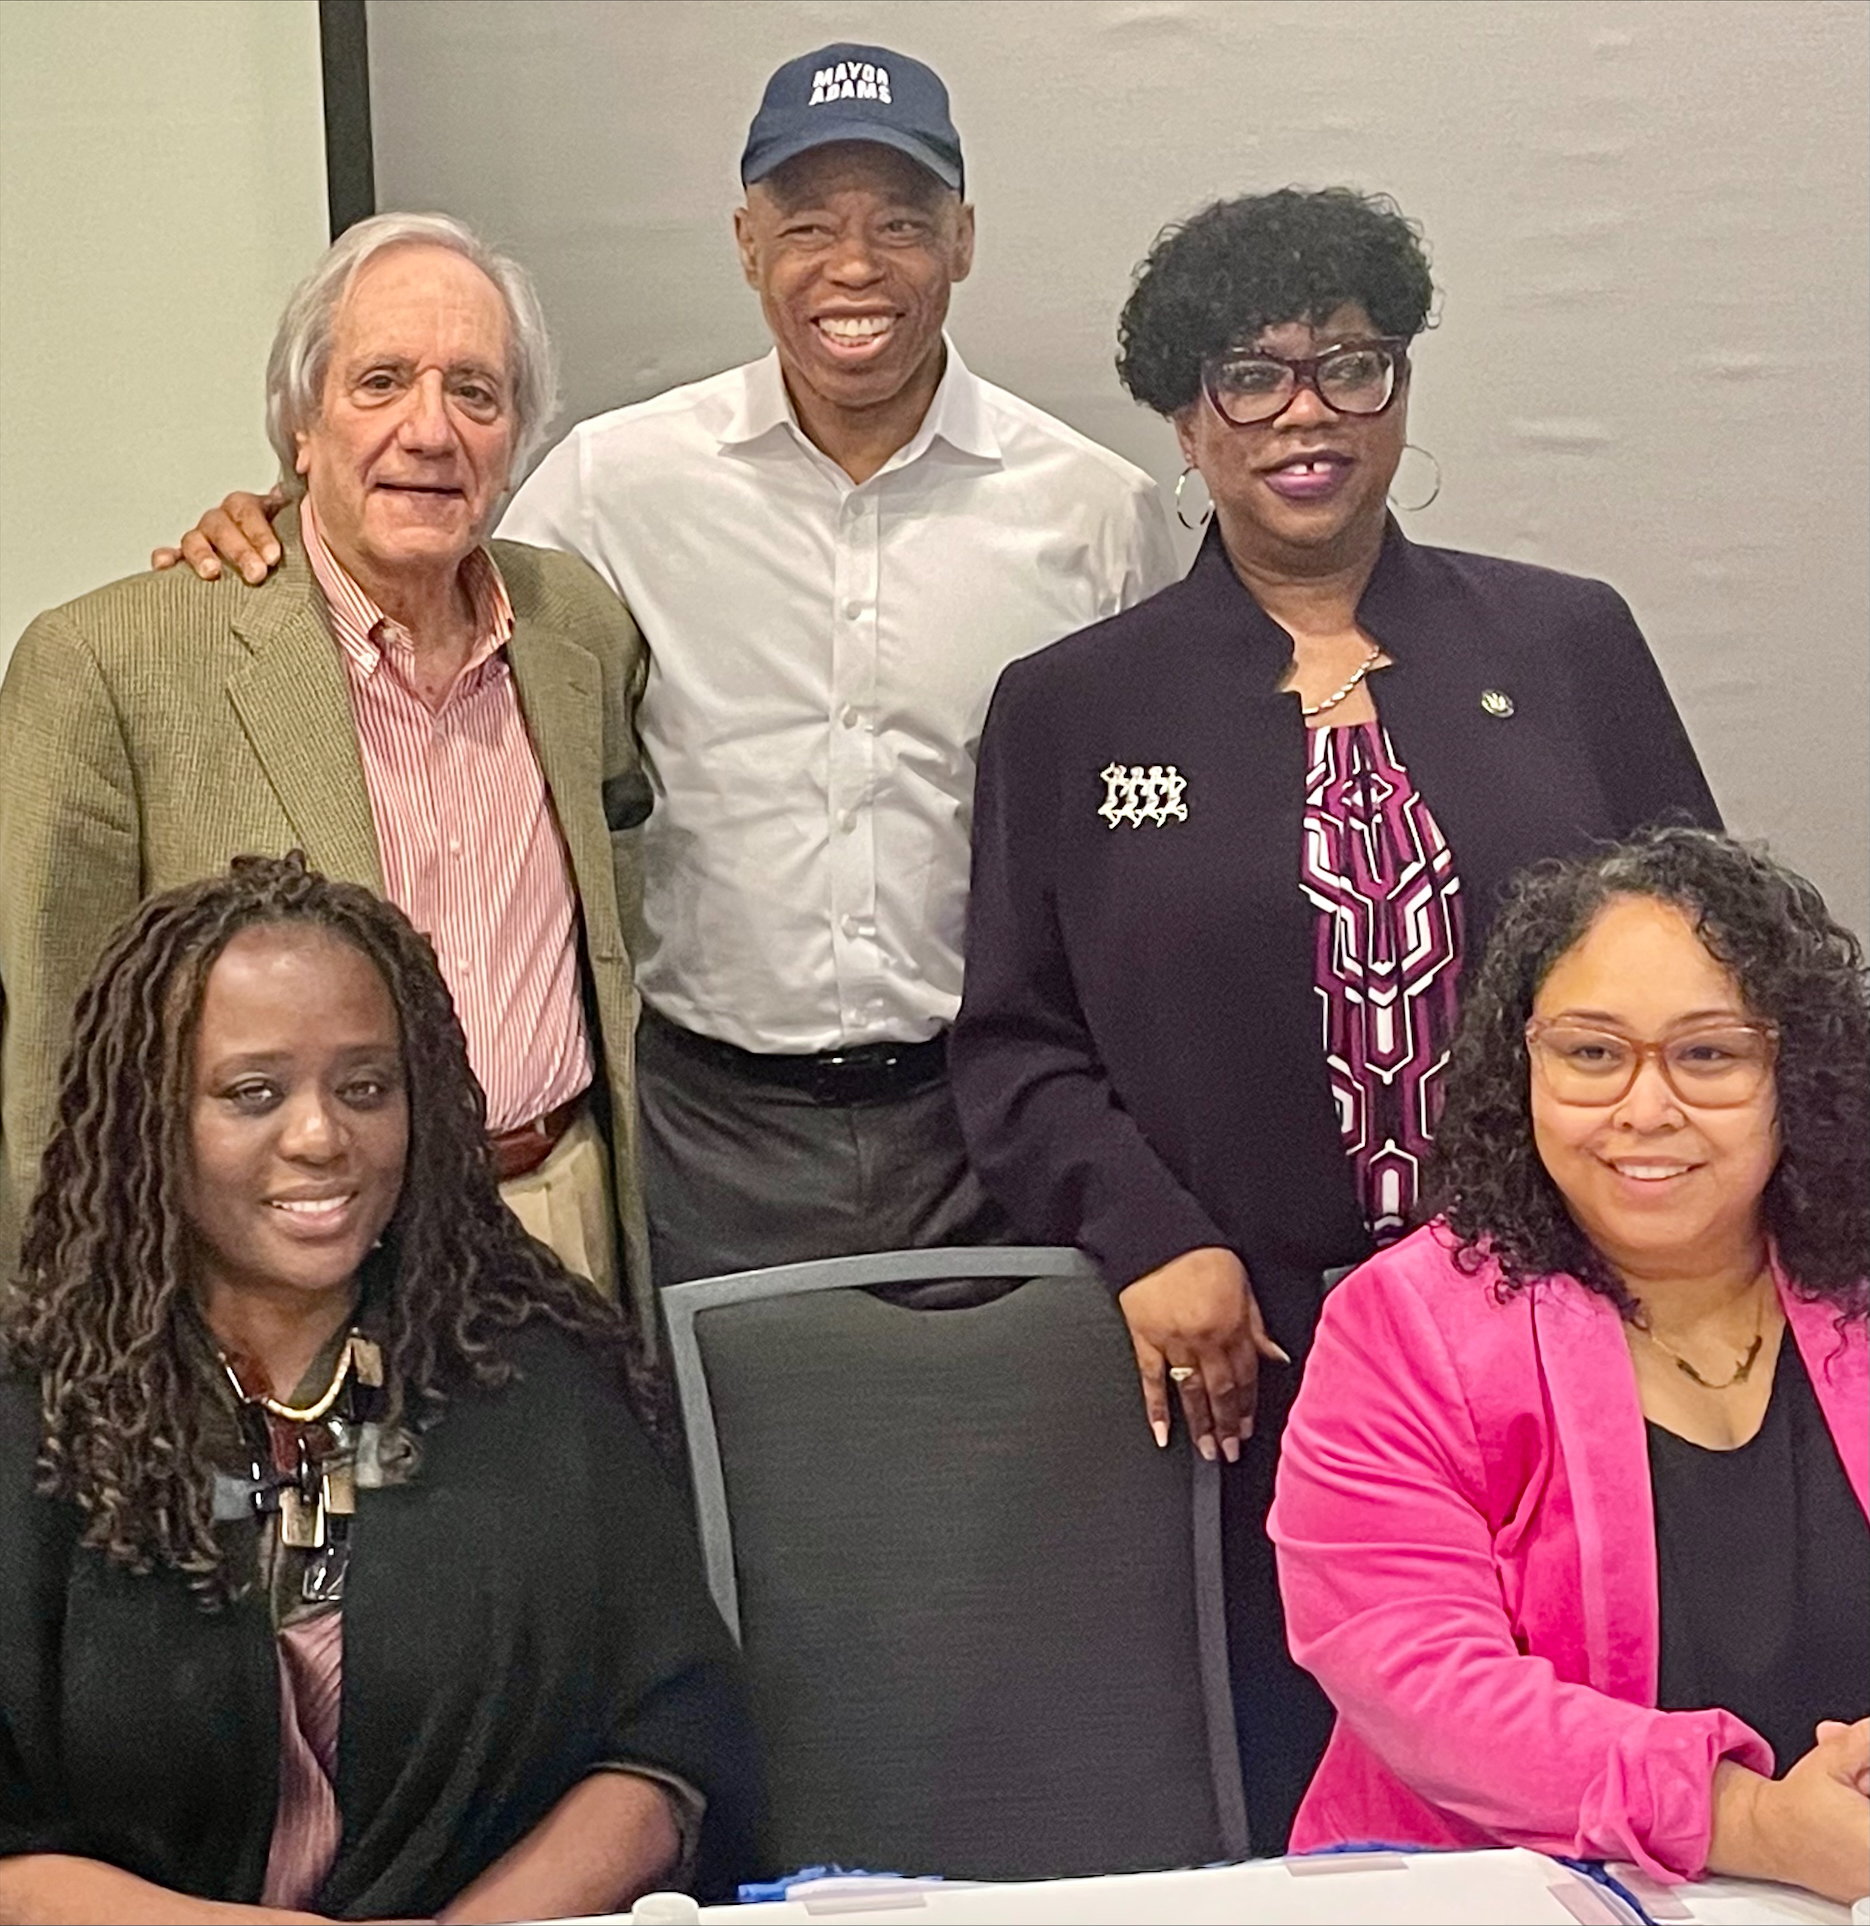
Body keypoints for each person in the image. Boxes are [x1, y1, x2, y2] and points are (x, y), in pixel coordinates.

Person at [947, 188, 1720, 1848]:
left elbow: (1705, 971)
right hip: (1265, 1366)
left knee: (1608, 1777)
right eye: (1253, 375)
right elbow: (1012, 1047)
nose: (1307, 412)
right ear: (1183, 411)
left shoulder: (1565, 643)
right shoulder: (1072, 707)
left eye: (1352, 367)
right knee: (1325, 1810)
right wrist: (1153, 1239)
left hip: (1576, 1328)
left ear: (1404, 389)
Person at [152, 44, 1178, 1289]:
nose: (852, 266)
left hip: (978, 1124)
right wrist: (276, 508)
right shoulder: (614, 483)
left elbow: (1146, 849)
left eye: (898, 223)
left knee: (962, 1473)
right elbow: (421, 555)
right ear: (747, 243)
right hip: (705, 1133)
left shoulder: (1093, 515)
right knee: (705, 1470)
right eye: (806, 226)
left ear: (960, 239)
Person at [0, 855, 758, 1923]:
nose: (321, 1138)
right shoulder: (38, 1413)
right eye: (251, 1093)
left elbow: (669, 1753)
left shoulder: (531, 1374)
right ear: (149, 1119)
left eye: (365, 1087)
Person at [0, 213, 655, 1348]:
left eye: (476, 394)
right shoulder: (109, 665)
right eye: (382, 382)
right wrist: (71, 1343)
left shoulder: (577, 630)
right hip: (268, 1267)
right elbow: (43, 1069)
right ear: (301, 426)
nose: (429, 431)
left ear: (516, 440)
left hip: (562, 1221)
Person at [1267, 827, 1868, 1902]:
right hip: (1495, 1894)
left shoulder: (1854, 1285)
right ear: (1521, 1065)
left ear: (1796, 1073)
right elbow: (1422, 1685)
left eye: (1709, 1054)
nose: (1646, 1107)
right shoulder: (1401, 1327)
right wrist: (1755, 1822)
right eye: (1593, 1053)